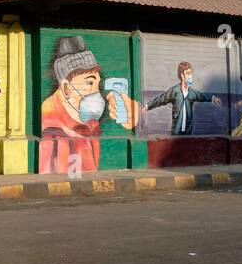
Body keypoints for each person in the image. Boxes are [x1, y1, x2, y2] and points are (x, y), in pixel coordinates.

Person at [38, 36, 137, 174]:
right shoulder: (54, 136)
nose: (96, 93)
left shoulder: (88, 126)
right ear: (66, 88)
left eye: (97, 84)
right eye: (89, 83)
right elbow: (64, 183)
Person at [148, 61, 219, 136]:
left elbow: (202, 96)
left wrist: (213, 99)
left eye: (191, 73)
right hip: (176, 133)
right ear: (182, 76)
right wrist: (147, 106)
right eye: (188, 74)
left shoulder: (192, 93)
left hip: (188, 133)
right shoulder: (174, 91)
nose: (190, 76)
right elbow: (160, 100)